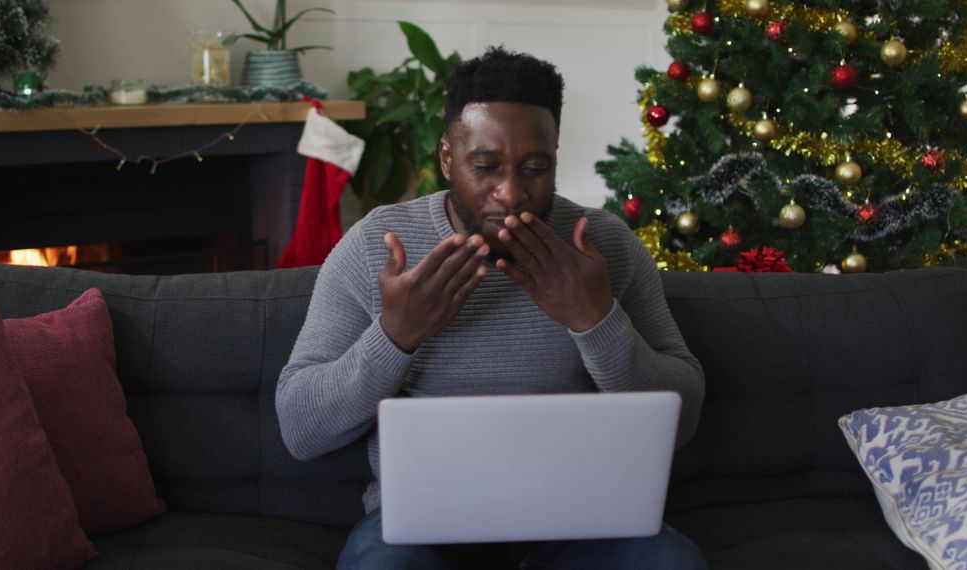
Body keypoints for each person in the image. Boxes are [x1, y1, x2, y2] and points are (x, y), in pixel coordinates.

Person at [276, 46, 707, 569]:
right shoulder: (376, 245)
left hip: (583, 519)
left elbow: (683, 418)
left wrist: (596, 322)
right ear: (446, 158)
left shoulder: (606, 244)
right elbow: (300, 428)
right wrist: (394, 336)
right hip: (423, 528)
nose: (511, 192)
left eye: (534, 168)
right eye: (485, 166)